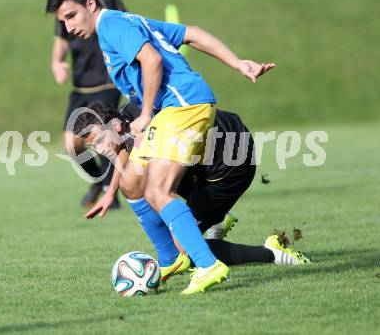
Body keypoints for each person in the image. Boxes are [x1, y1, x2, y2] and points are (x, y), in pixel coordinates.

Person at [45, 0, 275, 294]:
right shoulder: (128, 21)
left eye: (71, 16)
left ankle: (207, 266)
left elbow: (151, 60)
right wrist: (237, 62)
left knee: (157, 190)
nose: (69, 27)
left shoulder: (111, 25)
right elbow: (190, 33)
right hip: (177, 109)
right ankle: (170, 260)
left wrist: (146, 112)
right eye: (63, 22)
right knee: (132, 180)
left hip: (183, 107)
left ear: (89, 4)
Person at [72, 102, 311, 281]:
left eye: (100, 140)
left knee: (185, 245)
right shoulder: (130, 116)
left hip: (230, 165)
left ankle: (272, 252)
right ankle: (208, 224)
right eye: (94, 146)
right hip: (204, 158)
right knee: (145, 179)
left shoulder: (146, 125)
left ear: (114, 125)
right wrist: (110, 193)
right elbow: (124, 161)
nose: (100, 150)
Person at [51, 0, 125, 208]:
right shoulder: (64, 5)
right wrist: (57, 63)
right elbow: (60, 41)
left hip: (107, 82)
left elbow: (124, 30)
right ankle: (99, 181)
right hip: (80, 85)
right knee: (72, 145)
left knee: (104, 135)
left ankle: (110, 191)